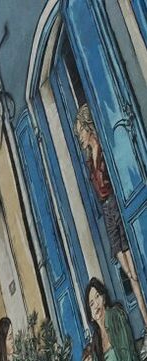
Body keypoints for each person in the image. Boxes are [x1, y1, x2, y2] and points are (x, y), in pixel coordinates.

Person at [75, 106, 146, 316]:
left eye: (80, 131)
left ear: (88, 127)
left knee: (135, 269)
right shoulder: (89, 160)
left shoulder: (103, 149)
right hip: (107, 211)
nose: (80, 137)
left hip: (116, 203)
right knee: (128, 270)